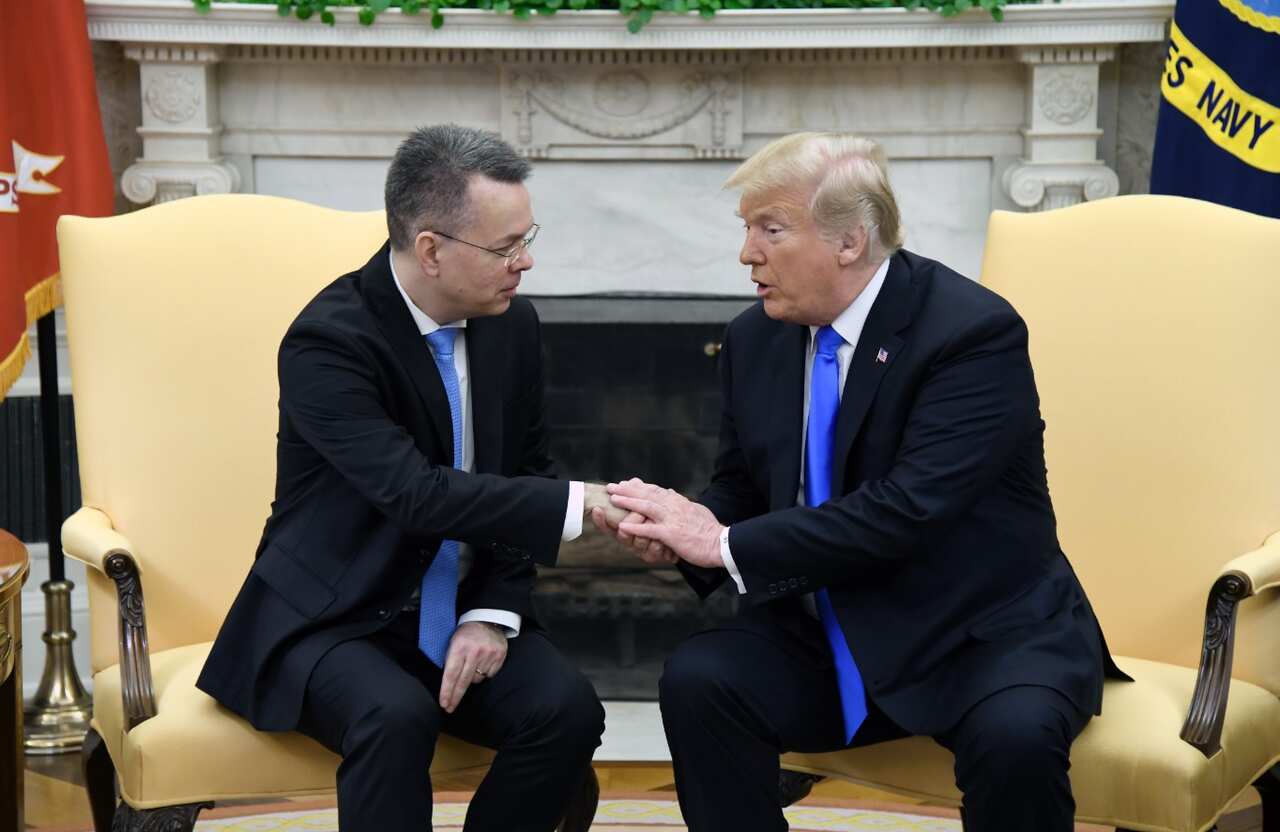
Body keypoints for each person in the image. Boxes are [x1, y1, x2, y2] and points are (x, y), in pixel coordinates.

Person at [595, 132, 1128, 832]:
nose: (747, 253)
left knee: (1017, 740)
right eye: (746, 229)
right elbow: (743, 488)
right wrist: (678, 529)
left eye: (770, 229)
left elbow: (907, 510)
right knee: (703, 680)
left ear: (849, 242)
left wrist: (722, 544)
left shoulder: (970, 333)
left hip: (976, 632)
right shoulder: (755, 337)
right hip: (829, 632)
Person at [198, 124, 622, 832]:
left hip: (460, 605)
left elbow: (523, 474)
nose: (527, 261)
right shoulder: (330, 341)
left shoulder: (511, 326)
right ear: (431, 248)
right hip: (337, 615)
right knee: (395, 716)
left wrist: (490, 613)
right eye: (506, 246)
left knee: (567, 710)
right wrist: (584, 504)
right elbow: (414, 494)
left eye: (527, 236)